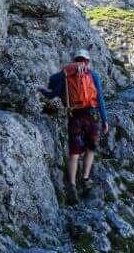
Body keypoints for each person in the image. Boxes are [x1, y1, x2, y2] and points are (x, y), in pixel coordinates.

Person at [42, 49, 108, 198]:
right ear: (87, 61)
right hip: (92, 116)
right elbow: (100, 99)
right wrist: (105, 120)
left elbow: (52, 91)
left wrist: (42, 91)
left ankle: (71, 186)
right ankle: (85, 179)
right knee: (90, 149)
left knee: (74, 153)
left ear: (75, 60)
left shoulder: (66, 76)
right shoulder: (93, 75)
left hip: (75, 116)